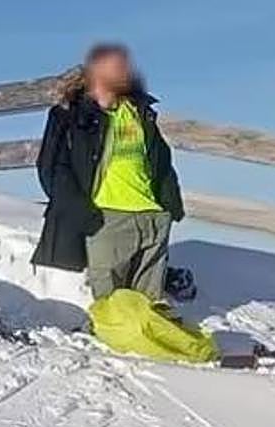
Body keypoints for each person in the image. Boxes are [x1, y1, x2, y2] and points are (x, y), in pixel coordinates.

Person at [31, 43, 184, 302]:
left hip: (152, 218)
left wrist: (170, 205)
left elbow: (161, 160)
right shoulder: (70, 116)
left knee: (149, 309)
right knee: (110, 310)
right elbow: (52, 169)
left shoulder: (139, 110)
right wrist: (84, 214)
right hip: (107, 219)